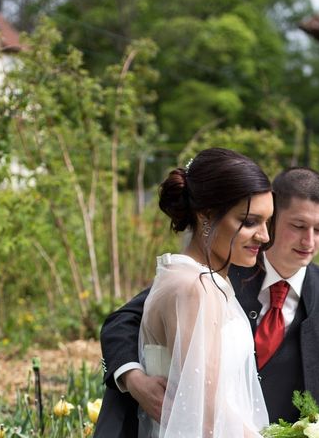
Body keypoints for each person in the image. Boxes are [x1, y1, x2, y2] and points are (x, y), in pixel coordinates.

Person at [94, 167, 319, 437]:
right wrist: (133, 379)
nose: (309, 240)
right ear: (274, 217)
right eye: (298, 226)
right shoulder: (220, 268)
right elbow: (122, 322)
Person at [119, 147, 274, 437]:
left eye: (267, 222)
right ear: (206, 216)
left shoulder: (206, 279)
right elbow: (205, 413)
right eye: (250, 222)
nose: (264, 236)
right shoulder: (193, 287)